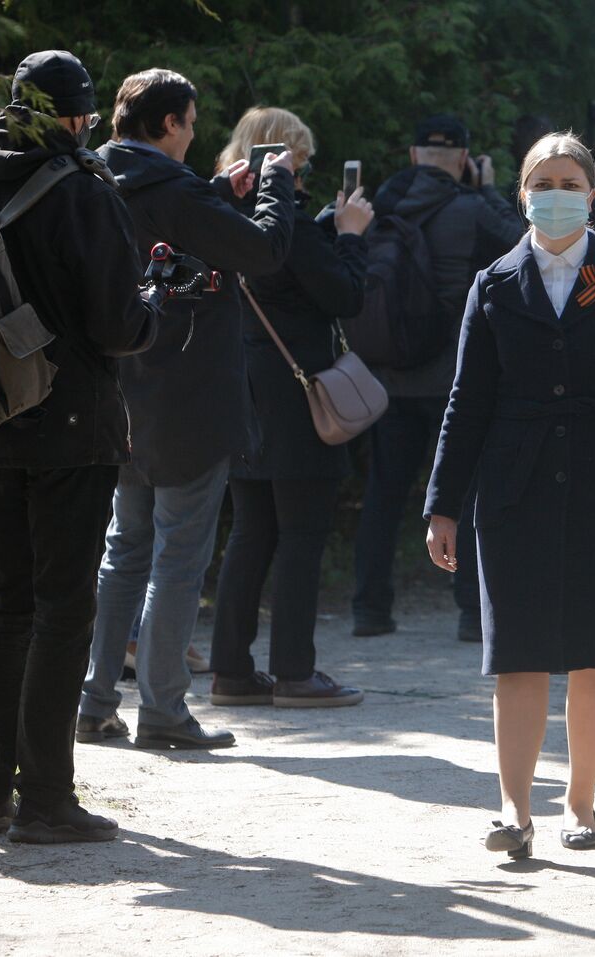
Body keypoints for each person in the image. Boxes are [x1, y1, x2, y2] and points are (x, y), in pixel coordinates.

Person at [425, 133, 595, 857]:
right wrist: (443, 503)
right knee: (519, 654)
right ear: (522, 193)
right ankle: (513, 807)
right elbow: (465, 402)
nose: (556, 193)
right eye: (543, 181)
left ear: (594, 194)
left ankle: (581, 802)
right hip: (517, 487)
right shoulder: (493, 283)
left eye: (570, 181)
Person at [0, 50, 161, 842]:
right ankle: (47, 798)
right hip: (72, 423)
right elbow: (119, 327)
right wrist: (159, 305)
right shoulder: (83, 192)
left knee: (4, 606)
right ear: (79, 115)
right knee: (62, 610)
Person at [78, 69, 296, 751]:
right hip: (191, 400)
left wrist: (212, 191)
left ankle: (93, 699)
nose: (195, 133)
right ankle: (165, 709)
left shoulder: (95, 177)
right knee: (177, 557)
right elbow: (263, 250)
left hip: (121, 393)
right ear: (169, 124)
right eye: (192, 122)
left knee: (123, 551)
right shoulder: (171, 189)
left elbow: (164, 227)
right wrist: (274, 185)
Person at [208, 107, 374, 706]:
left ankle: (230, 669)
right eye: (298, 166)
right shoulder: (292, 228)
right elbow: (343, 293)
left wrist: (328, 223)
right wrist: (352, 235)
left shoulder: (221, 216)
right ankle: (295, 672)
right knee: (302, 534)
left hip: (243, 390)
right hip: (299, 396)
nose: (300, 179)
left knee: (251, 532)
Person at [351, 115, 525, 641]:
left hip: (388, 377)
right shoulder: (472, 209)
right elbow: (525, 245)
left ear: (412, 156)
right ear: (466, 160)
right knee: (465, 497)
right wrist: (491, 188)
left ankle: (369, 611)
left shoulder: (376, 207)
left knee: (383, 494)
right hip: (454, 380)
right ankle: (473, 615)